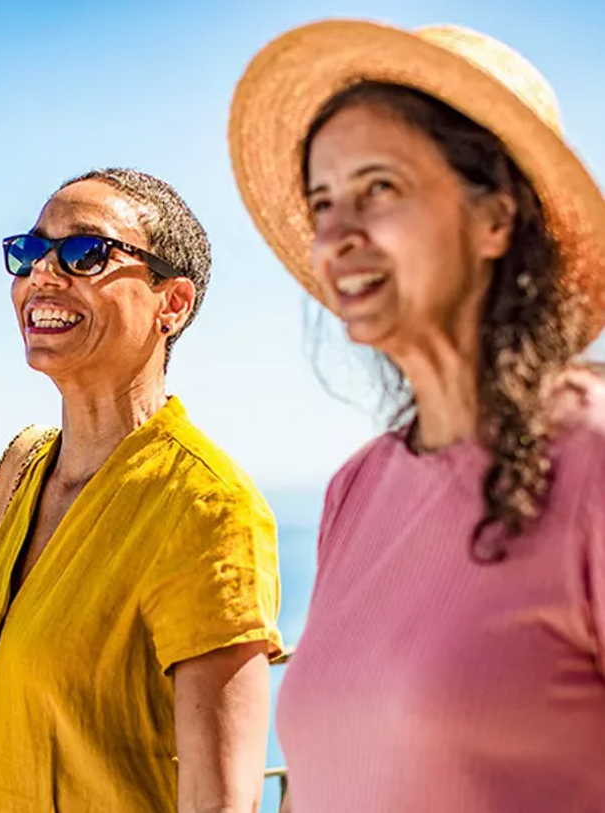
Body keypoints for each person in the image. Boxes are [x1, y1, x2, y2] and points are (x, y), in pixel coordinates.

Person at [228, 20, 605, 813]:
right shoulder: (355, 491)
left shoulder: (592, 456)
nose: (335, 236)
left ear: (496, 218)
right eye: (322, 201)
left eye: (380, 189)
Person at [0, 168, 283, 813]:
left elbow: (219, 804)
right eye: (30, 251)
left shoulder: (206, 508)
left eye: (85, 253)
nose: (42, 274)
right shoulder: (24, 476)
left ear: (172, 303)